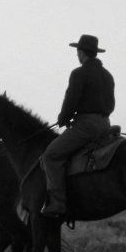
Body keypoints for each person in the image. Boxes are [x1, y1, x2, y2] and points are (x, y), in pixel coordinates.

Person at [40, 34, 115, 219]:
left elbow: (71, 100)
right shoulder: (107, 75)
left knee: (51, 156)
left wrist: (63, 118)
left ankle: (57, 204)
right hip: (106, 124)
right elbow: (111, 104)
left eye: (78, 52)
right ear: (95, 53)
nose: (77, 55)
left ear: (81, 53)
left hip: (86, 126)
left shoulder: (79, 73)